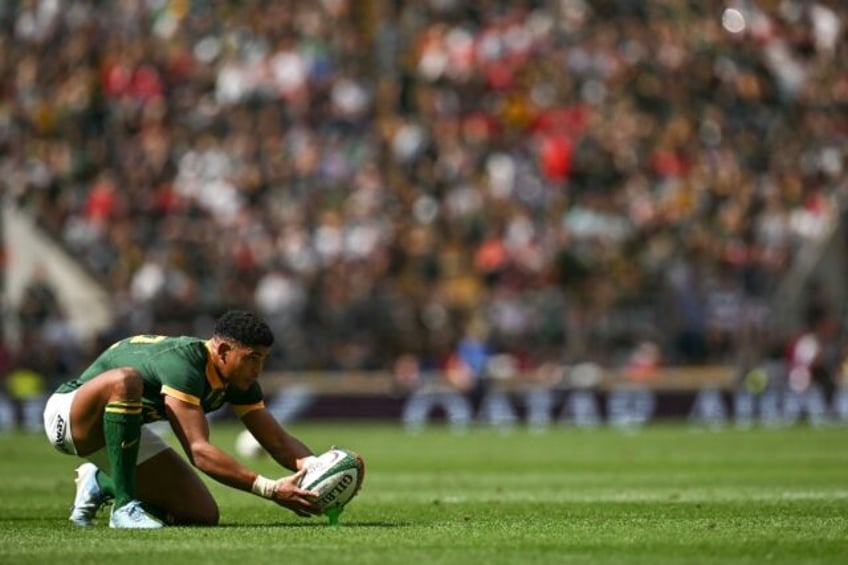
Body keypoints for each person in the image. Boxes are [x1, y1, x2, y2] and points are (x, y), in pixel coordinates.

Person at [42, 310, 322, 528]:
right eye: (252, 358)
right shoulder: (185, 365)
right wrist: (270, 489)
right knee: (125, 380)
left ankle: (102, 481)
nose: (258, 369)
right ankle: (124, 507)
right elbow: (199, 451)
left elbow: (277, 441)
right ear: (223, 351)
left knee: (201, 513)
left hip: (122, 434)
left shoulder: (239, 381)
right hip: (69, 417)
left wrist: (320, 471)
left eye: (263, 359)